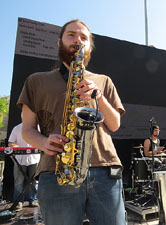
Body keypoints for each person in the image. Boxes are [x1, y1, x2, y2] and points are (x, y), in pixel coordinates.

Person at [17, 20, 126, 225]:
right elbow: (27, 130)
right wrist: (44, 142)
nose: (78, 40)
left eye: (84, 37)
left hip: (104, 169)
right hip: (57, 170)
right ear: (59, 42)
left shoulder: (104, 80)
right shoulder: (36, 81)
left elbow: (114, 124)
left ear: (90, 47)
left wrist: (98, 97)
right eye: (71, 35)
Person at [8, 122, 40, 209]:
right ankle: (18, 202)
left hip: (35, 158)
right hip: (20, 159)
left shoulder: (39, 128)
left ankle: (32, 200)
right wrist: (18, 148)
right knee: (19, 181)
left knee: (34, 180)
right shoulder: (17, 128)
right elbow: (10, 143)